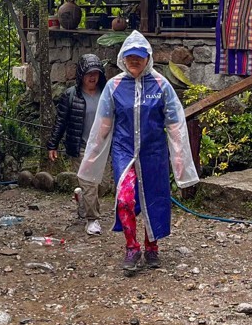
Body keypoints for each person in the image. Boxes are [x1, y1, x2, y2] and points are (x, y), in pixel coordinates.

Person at [77, 31, 199, 275]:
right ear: (123, 58)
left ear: (147, 58)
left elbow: (175, 124)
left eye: (139, 57)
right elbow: (102, 125)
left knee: (154, 198)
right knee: (125, 198)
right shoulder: (114, 86)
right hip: (124, 151)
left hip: (153, 152)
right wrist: (91, 159)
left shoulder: (162, 86)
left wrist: (179, 158)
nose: (134, 61)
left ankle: (151, 245)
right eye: (130, 56)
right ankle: (131, 247)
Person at [48, 53, 108, 234]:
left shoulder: (106, 94)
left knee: (102, 185)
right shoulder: (70, 95)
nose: (92, 77)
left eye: (96, 73)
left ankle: (82, 198)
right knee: (90, 183)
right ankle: (92, 220)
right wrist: (53, 144)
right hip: (80, 147)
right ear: (81, 74)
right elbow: (61, 121)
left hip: (102, 147)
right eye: (89, 73)